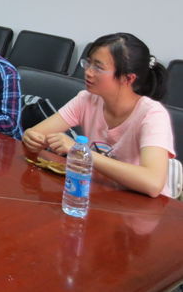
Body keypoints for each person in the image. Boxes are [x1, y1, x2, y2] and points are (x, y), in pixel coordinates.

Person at [22, 33, 175, 198]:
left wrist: (80, 151)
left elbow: (153, 183)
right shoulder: (86, 99)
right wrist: (31, 138)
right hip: (99, 192)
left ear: (128, 78)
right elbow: (37, 133)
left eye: (98, 67)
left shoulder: (152, 115)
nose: (88, 72)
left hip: (141, 203)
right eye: (88, 63)